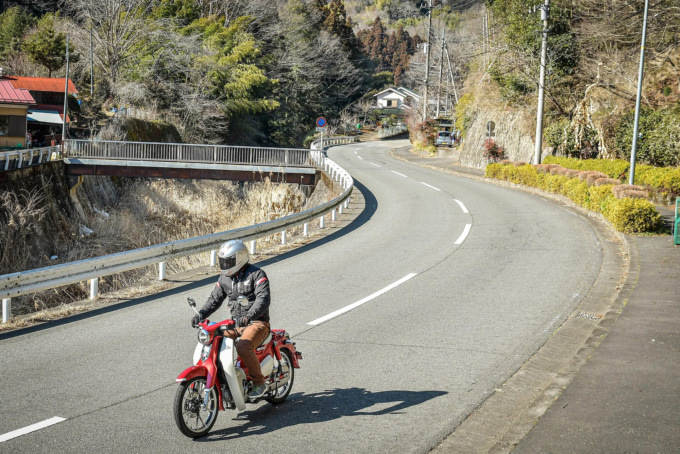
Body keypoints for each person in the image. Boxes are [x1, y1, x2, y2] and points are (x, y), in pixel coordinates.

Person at [191, 240, 271, 399]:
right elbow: (214, 299)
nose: (225, 265)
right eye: (223, 261)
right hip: (235, 323)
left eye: (228, 261)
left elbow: (263, 299)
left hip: (257, 322)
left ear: (239, 258)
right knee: (214, 340)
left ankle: (259, 382)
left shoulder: (257, 274)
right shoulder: (224, 278)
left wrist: (250, 316)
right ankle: (224, 380)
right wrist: (201, 314)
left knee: (243, 346)